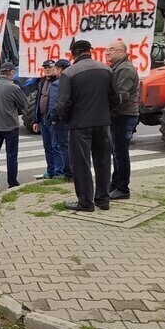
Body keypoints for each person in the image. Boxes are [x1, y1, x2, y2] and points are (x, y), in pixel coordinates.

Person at [56, 40, 116, 212]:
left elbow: (62, 104)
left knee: (81, 164)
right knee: (103, 162)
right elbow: (116, 98)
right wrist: (106, 114)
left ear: (73, 54)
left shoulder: (69, 72)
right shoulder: (107, 69)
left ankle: (86, 202)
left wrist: (67, 119)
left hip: (80, 125)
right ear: (90, 51)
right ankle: (103, 200)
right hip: (103, 124)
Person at [106, 40, 140, 200]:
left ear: (122, 51)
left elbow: (120, 96)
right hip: (120, 115)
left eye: (111, 49)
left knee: (120, 153)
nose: (107, 52)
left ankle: (122, 188)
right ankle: (115, 184)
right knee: (116, 152)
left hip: (123, 115)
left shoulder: (125, 69)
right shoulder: (118, 67)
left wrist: (107, 110)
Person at [0, 63, 27, 191]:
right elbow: (25, 104)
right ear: (10, 72)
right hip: (10, 125)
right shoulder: (13, 87)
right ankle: (12, 183)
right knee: (11, 155)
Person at [48, 59, 72, 180]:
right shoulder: (74, 79)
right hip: (73, 118)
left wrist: (53, 118)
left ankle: (67, 173)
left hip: (61, 120)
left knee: (62, 146)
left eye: (56, 69)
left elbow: (54, 104)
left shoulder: (57, 83)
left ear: (59, 70)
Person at [32, 60, 57, 178]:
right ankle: (50, 171)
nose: (47, 69)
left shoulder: (58, 81)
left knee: (56, 146)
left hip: (53, 118)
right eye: (45, 67)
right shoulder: (41, 82)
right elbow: (37, 100)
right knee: (47, 146)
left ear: (55, 68)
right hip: (42, 118)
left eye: (49, 67)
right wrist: (35, 119)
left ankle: (58, 172)